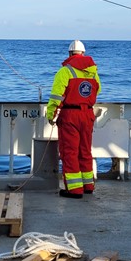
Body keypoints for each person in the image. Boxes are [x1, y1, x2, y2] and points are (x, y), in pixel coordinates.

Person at [46, 40, 101, 198]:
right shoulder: (93, 72)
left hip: (70, 115)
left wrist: (51, 115)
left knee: (69, 152)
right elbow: (98, 89)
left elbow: (56, 97)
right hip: (87, 114)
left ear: (70, 54)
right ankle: (88, 185)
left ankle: (75, 190)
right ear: (83, 53)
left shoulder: (65, 71)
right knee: (85, 151)